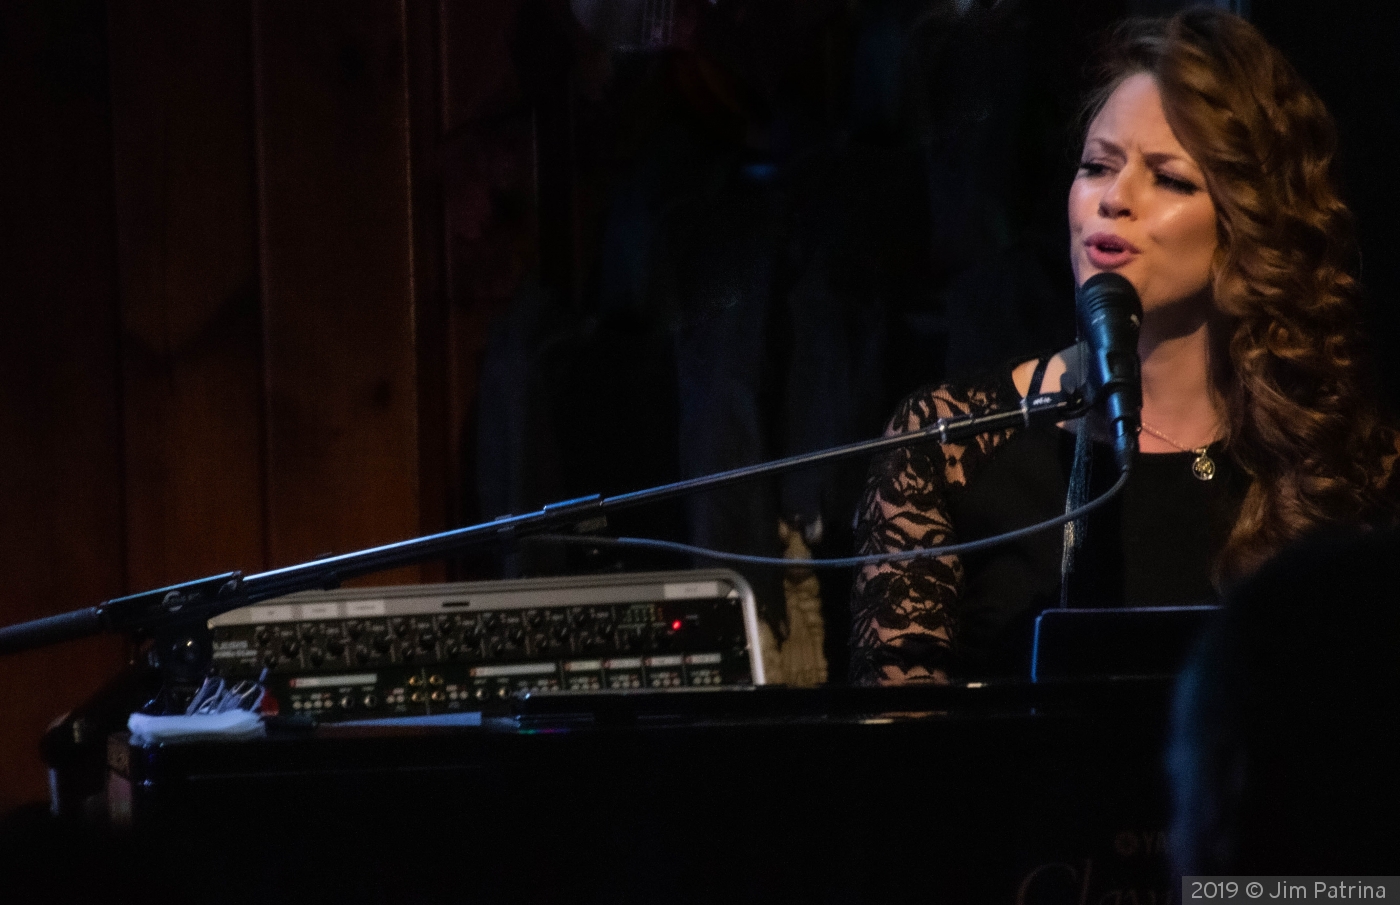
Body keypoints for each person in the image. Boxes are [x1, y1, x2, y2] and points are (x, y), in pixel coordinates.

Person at [849, 8, 1400, 684]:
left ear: (1245, 222)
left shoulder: (1332, 454)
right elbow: (899, 757)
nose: (1115, 199)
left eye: (1168, 179)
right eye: (1097, 166)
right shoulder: (945, 443)